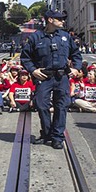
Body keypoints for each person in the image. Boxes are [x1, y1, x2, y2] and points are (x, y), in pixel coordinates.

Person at [20, 10, 82, 149]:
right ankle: (47, 133)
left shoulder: (65, 36)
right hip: (44, 76)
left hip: (62, 76)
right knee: (41, 104)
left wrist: (76, 68)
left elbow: (76, 54)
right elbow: (25, 57)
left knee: (61, 106)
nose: (62, 21)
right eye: (59, 19)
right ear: (50, 20)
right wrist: (33, 70)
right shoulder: (36, 37)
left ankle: (57, 137)